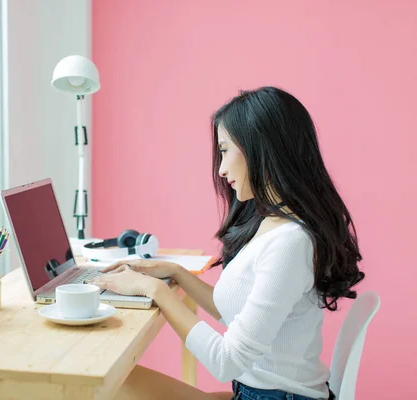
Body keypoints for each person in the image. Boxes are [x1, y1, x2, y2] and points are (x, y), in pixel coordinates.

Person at [90, 86, 364, 400]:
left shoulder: (290, 243)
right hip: (266, 394)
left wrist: (155, 290)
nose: (221, 169)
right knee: (112, 379)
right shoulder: (275, 224)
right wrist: (176, 272)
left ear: (261, 149)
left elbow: (226, 361)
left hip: (275, 396)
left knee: (110, 383)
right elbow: (241, 316)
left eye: (224, 150)